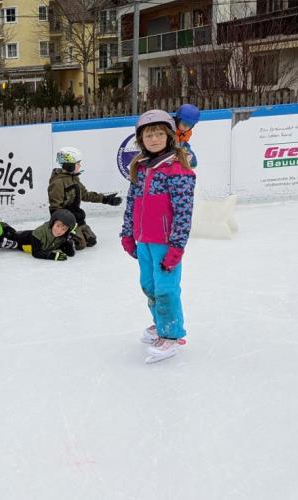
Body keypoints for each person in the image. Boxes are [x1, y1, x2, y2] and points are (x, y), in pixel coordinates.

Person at [119, 109, 196, 364]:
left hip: (165, 242)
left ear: (169, 136)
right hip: (144, 241)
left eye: (159, 134)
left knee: (166, 289)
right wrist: (127, 234)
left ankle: (171, 334)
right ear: (141, 140)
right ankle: (160, 322)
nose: (154, 139)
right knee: (149, 286)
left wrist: (177, 248)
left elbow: (183, 212)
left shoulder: (177, 169)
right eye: (148, 135)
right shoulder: (141, 167)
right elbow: (132, 204)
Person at [48, 147, 122, 249]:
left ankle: (77, 231)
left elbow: (85, 194)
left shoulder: (74, 178)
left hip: (77, 217)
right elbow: (55, 208)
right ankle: (61, 239)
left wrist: (105, 199)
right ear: (69, 165)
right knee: (80, 244)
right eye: (77, 163)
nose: (80, 165)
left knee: (91, 240)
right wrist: (62, 227)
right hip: (67, 221)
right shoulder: (58, 183)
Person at [13, 209, 78, 261]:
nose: (59, 231)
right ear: (52, 223)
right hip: (21, 238)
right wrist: (52, 256)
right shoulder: (39, 233)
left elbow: (70, 253)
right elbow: (36, 253)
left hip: (32, 234)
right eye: (58, 226)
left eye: (64, 229)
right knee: (11, 234)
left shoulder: (62, 237)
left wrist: (69, 239)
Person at [174, 103, 200, 168]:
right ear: (178, 120)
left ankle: (186, 168)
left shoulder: (188, 132)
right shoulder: (170, 128)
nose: (186, 127)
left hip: (180, 145)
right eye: (184, 124)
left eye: (190, 125)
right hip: (169, 147)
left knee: (192, 159)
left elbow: (183, 143)